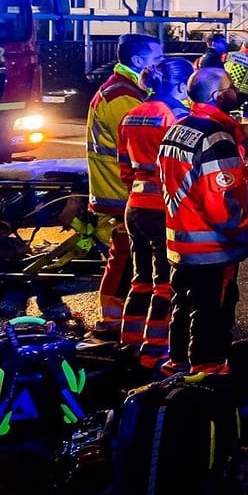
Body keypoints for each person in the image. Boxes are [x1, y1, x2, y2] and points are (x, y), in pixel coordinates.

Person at [157, 68, 248, 375]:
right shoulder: (217, 138)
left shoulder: (177, 128)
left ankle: (178, 361)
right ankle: (207, 370)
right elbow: (221, 204)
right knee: (212, 310)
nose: (235, 91)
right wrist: (244, 233)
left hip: (179, 240)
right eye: (230, 87)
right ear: (218, 96)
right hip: (212, 246)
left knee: (182, 305)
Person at [118, 57, 193, 370]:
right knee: (165, 284)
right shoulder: (175, 117)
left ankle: (129, 343)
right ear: (179, 86)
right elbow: (183, 169)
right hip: (162, 208)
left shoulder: (131, 114)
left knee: (140, 280)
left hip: (134, 206)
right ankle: (153, 352)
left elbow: (123, 166)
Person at [85, 34, 161, 336]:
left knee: (128, 256)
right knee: (125, 257)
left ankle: (123, 318)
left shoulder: (124, 90)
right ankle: (112, 321)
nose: (161, 65)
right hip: (119, 190)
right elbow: (141, 146)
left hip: (119, 188)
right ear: (139, 62)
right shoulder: (124, 97)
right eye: (157, 59)